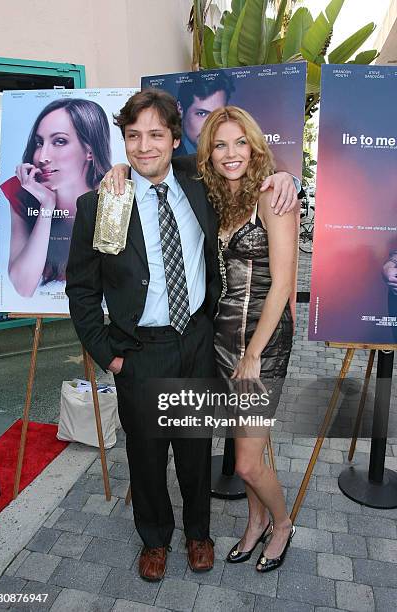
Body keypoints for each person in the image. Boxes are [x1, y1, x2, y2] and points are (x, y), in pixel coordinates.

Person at [67, 88, 299, 582]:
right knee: (146, 454)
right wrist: (108, 355)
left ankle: (200, 535)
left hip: (197, 340)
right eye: (133, 137)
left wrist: (287, 177)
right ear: (123, 142)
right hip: (138, 350)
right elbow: (82, 292)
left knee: (195, 450)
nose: (144, 146)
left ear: (176, 140)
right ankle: (154, 539)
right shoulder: (102, 203)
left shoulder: (201, 181)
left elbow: (248, 164)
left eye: (156, 135)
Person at [196, 106, 298, 572]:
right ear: (210, 155)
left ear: (254, 145)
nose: (231, 153)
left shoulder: (272, 196)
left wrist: (254, 353)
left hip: (263, 344)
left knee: (247, 463)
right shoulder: (224, 198)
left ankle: (282, 524)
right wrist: (119, 167)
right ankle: (254, 523)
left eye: (240, 142)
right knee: (241, 447)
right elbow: (157, 164)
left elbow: (281, 282)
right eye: (220, 145)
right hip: (223, 340)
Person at [1, 98, 111, 297]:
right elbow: (23, 287)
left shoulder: (112, 193)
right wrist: (47, 206)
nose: (42, 156)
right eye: (39, 142)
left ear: (89, 150)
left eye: (59, 141)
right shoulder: (23, 189)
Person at [175, 72, 234, 155]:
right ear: (180, 109)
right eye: (201, 114)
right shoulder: (169, 157)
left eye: (219, 114)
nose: (211, 124)